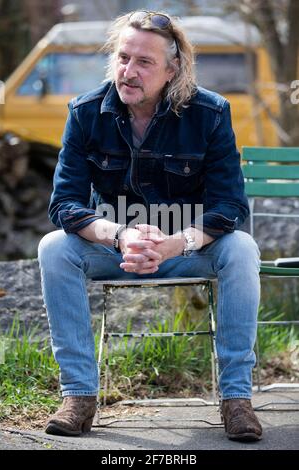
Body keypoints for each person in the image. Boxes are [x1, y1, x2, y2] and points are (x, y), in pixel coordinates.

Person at [38, 10, 262, 442]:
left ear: (172, 69)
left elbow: (230, 205)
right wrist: (120, 235)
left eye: (144, 62)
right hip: (115, 246)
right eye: (123, 58)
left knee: (241, 249)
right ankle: (78, 396)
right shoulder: (85, 112)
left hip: (187, 246)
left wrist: (176, 243)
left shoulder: (210, 113)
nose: (129, 71)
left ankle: (238, 400)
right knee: (53, 248)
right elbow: (64, 203)